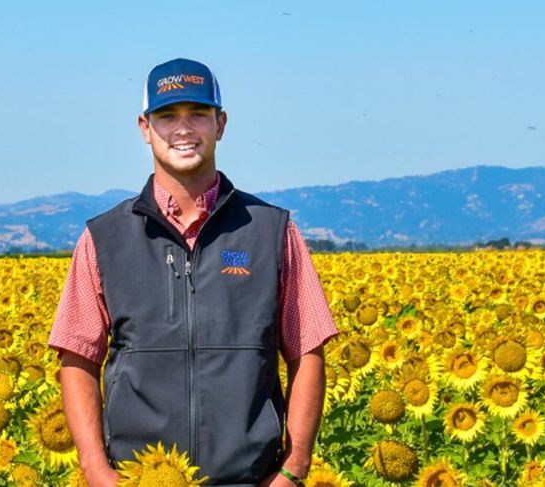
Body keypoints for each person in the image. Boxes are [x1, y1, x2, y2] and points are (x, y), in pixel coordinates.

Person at [48, 58, 340, 486]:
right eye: (167, 116)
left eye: (197, 114)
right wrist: (95, 469)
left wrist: (293, 471)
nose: (183, 129)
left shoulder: (272, 231)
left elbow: (307, 352)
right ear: (145, 129)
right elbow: (76, 357)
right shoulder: (104, 238)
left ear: (220, 124)